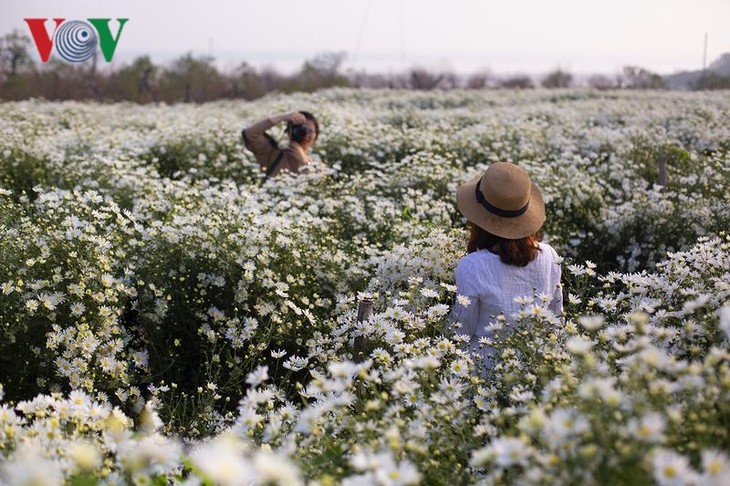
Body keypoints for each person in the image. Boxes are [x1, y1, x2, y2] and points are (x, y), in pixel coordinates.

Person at [451, 162, 563, 367]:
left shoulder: (472, 266)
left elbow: (460, 332)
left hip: (480, 373)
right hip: (534, 368)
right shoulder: (550, 255)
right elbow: (554, 320)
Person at [241, 111, 320, 181]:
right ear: (289, 132)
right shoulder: (273, 154)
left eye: (310, 131)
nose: (305, 134)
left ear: (316, 135)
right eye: (301, 130)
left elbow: (317, 186)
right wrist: (283, 117)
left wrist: (304, 161)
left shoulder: (316, 164)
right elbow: (250, 134)